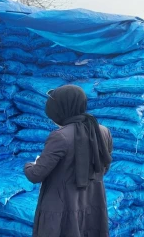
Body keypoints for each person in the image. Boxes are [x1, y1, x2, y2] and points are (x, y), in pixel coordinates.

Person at [24, 85, 113, 237]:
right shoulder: (102, 131)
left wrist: (30, 165)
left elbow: (35, 175)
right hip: (92, 202)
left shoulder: (60, 136)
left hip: (62, 207)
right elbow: (103, 167)